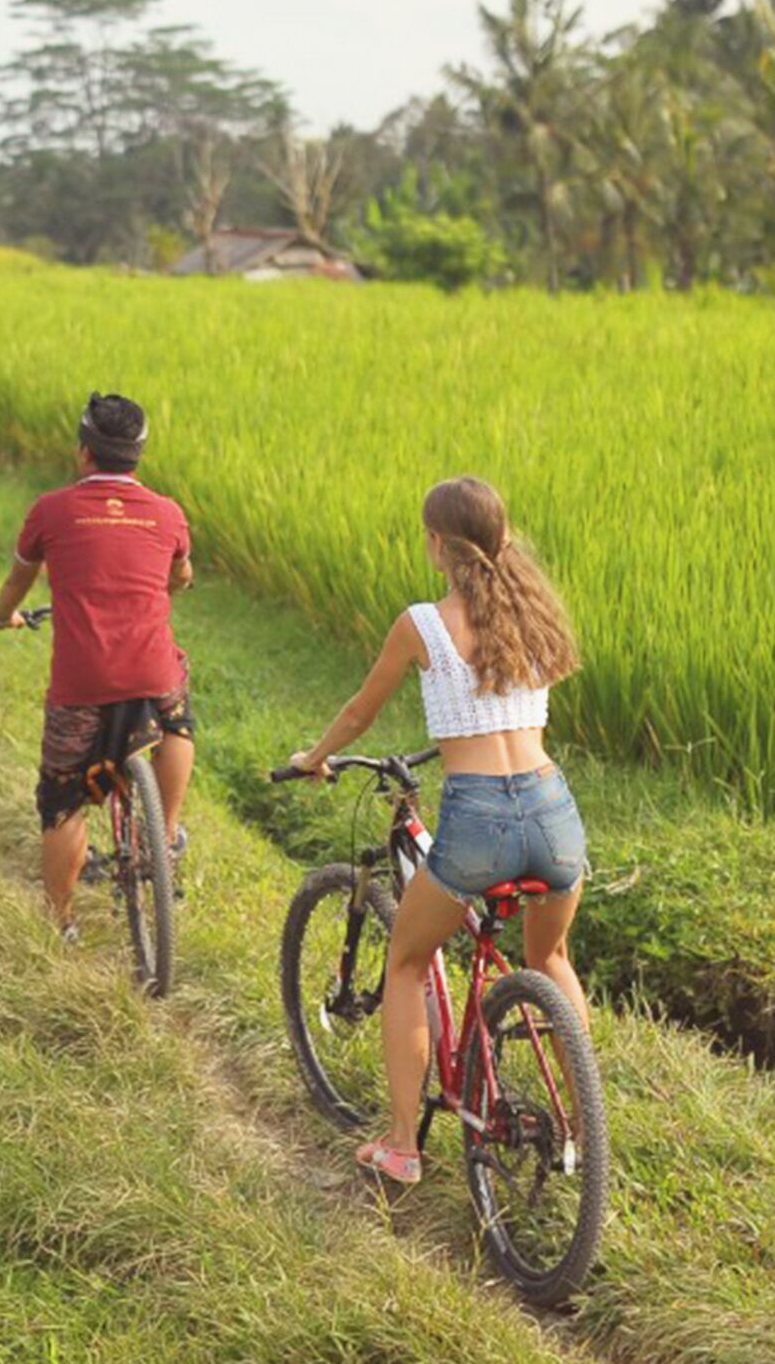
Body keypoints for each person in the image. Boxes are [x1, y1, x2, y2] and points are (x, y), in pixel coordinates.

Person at [288, 475, 586, 1187]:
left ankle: (402, 1146)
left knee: (407, 960)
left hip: (479, 817)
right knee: (550, 958)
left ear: (435, 544)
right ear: (502, 539)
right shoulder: (535, 612)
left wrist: (316, 757)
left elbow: (360, 712)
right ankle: (584, 1124)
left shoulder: (422, 624)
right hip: (553, 811)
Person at [0, 392, 195, 943]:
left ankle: (61, 921)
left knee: (63, 799)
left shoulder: (51, 511)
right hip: (151, 670)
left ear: (84, 453)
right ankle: (166, 834)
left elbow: (17, 582)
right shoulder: (168, 513)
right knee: (177, 720)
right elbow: (180, 576)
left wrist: (1, 617)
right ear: (138, 455)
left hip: (81, 683)